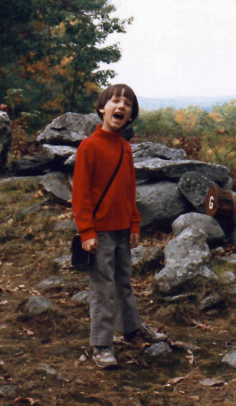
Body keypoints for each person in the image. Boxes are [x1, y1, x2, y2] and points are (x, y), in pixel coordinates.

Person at [72, 83, 167, 369]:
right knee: (103, 287)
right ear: (103, 108)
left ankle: (132, 330)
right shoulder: (89, 146)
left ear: (130, 117)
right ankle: (101, 345)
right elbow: (81, 193)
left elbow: (128, 189)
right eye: (115, 101)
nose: (121, 106)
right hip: (98, 232)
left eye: (127, 104)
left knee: (124, 281)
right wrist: (86, 231)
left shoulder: (125, 148)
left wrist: (134, 223)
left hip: (123, 230)